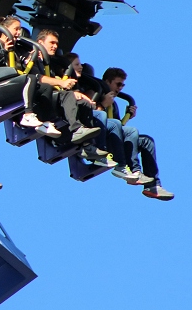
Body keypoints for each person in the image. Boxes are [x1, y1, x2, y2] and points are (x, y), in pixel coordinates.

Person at [100, 67, 173, 201]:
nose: (120, 88)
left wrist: (127, 117)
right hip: (99, 140)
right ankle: (134, 170)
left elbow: (117, 128)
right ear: (107, 82)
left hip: (113, 140)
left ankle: (153, 186)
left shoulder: (114, 104)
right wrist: (103, 104)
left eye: (122, 85)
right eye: (118, 84)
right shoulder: (97, 93)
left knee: (146, 141)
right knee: (132, 131)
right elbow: (90, 116)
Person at [20, 29, 99, 145]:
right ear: (41, 43)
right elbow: (36, 77)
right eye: (52, 43)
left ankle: (88, 145)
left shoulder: (50, 63)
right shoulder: (32, 57)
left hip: (51, 95)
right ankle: (76, 129)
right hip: (36, 96)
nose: (55, 46)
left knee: (83, 103)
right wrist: (61, 83)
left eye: (56, 44)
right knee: (69, 95)